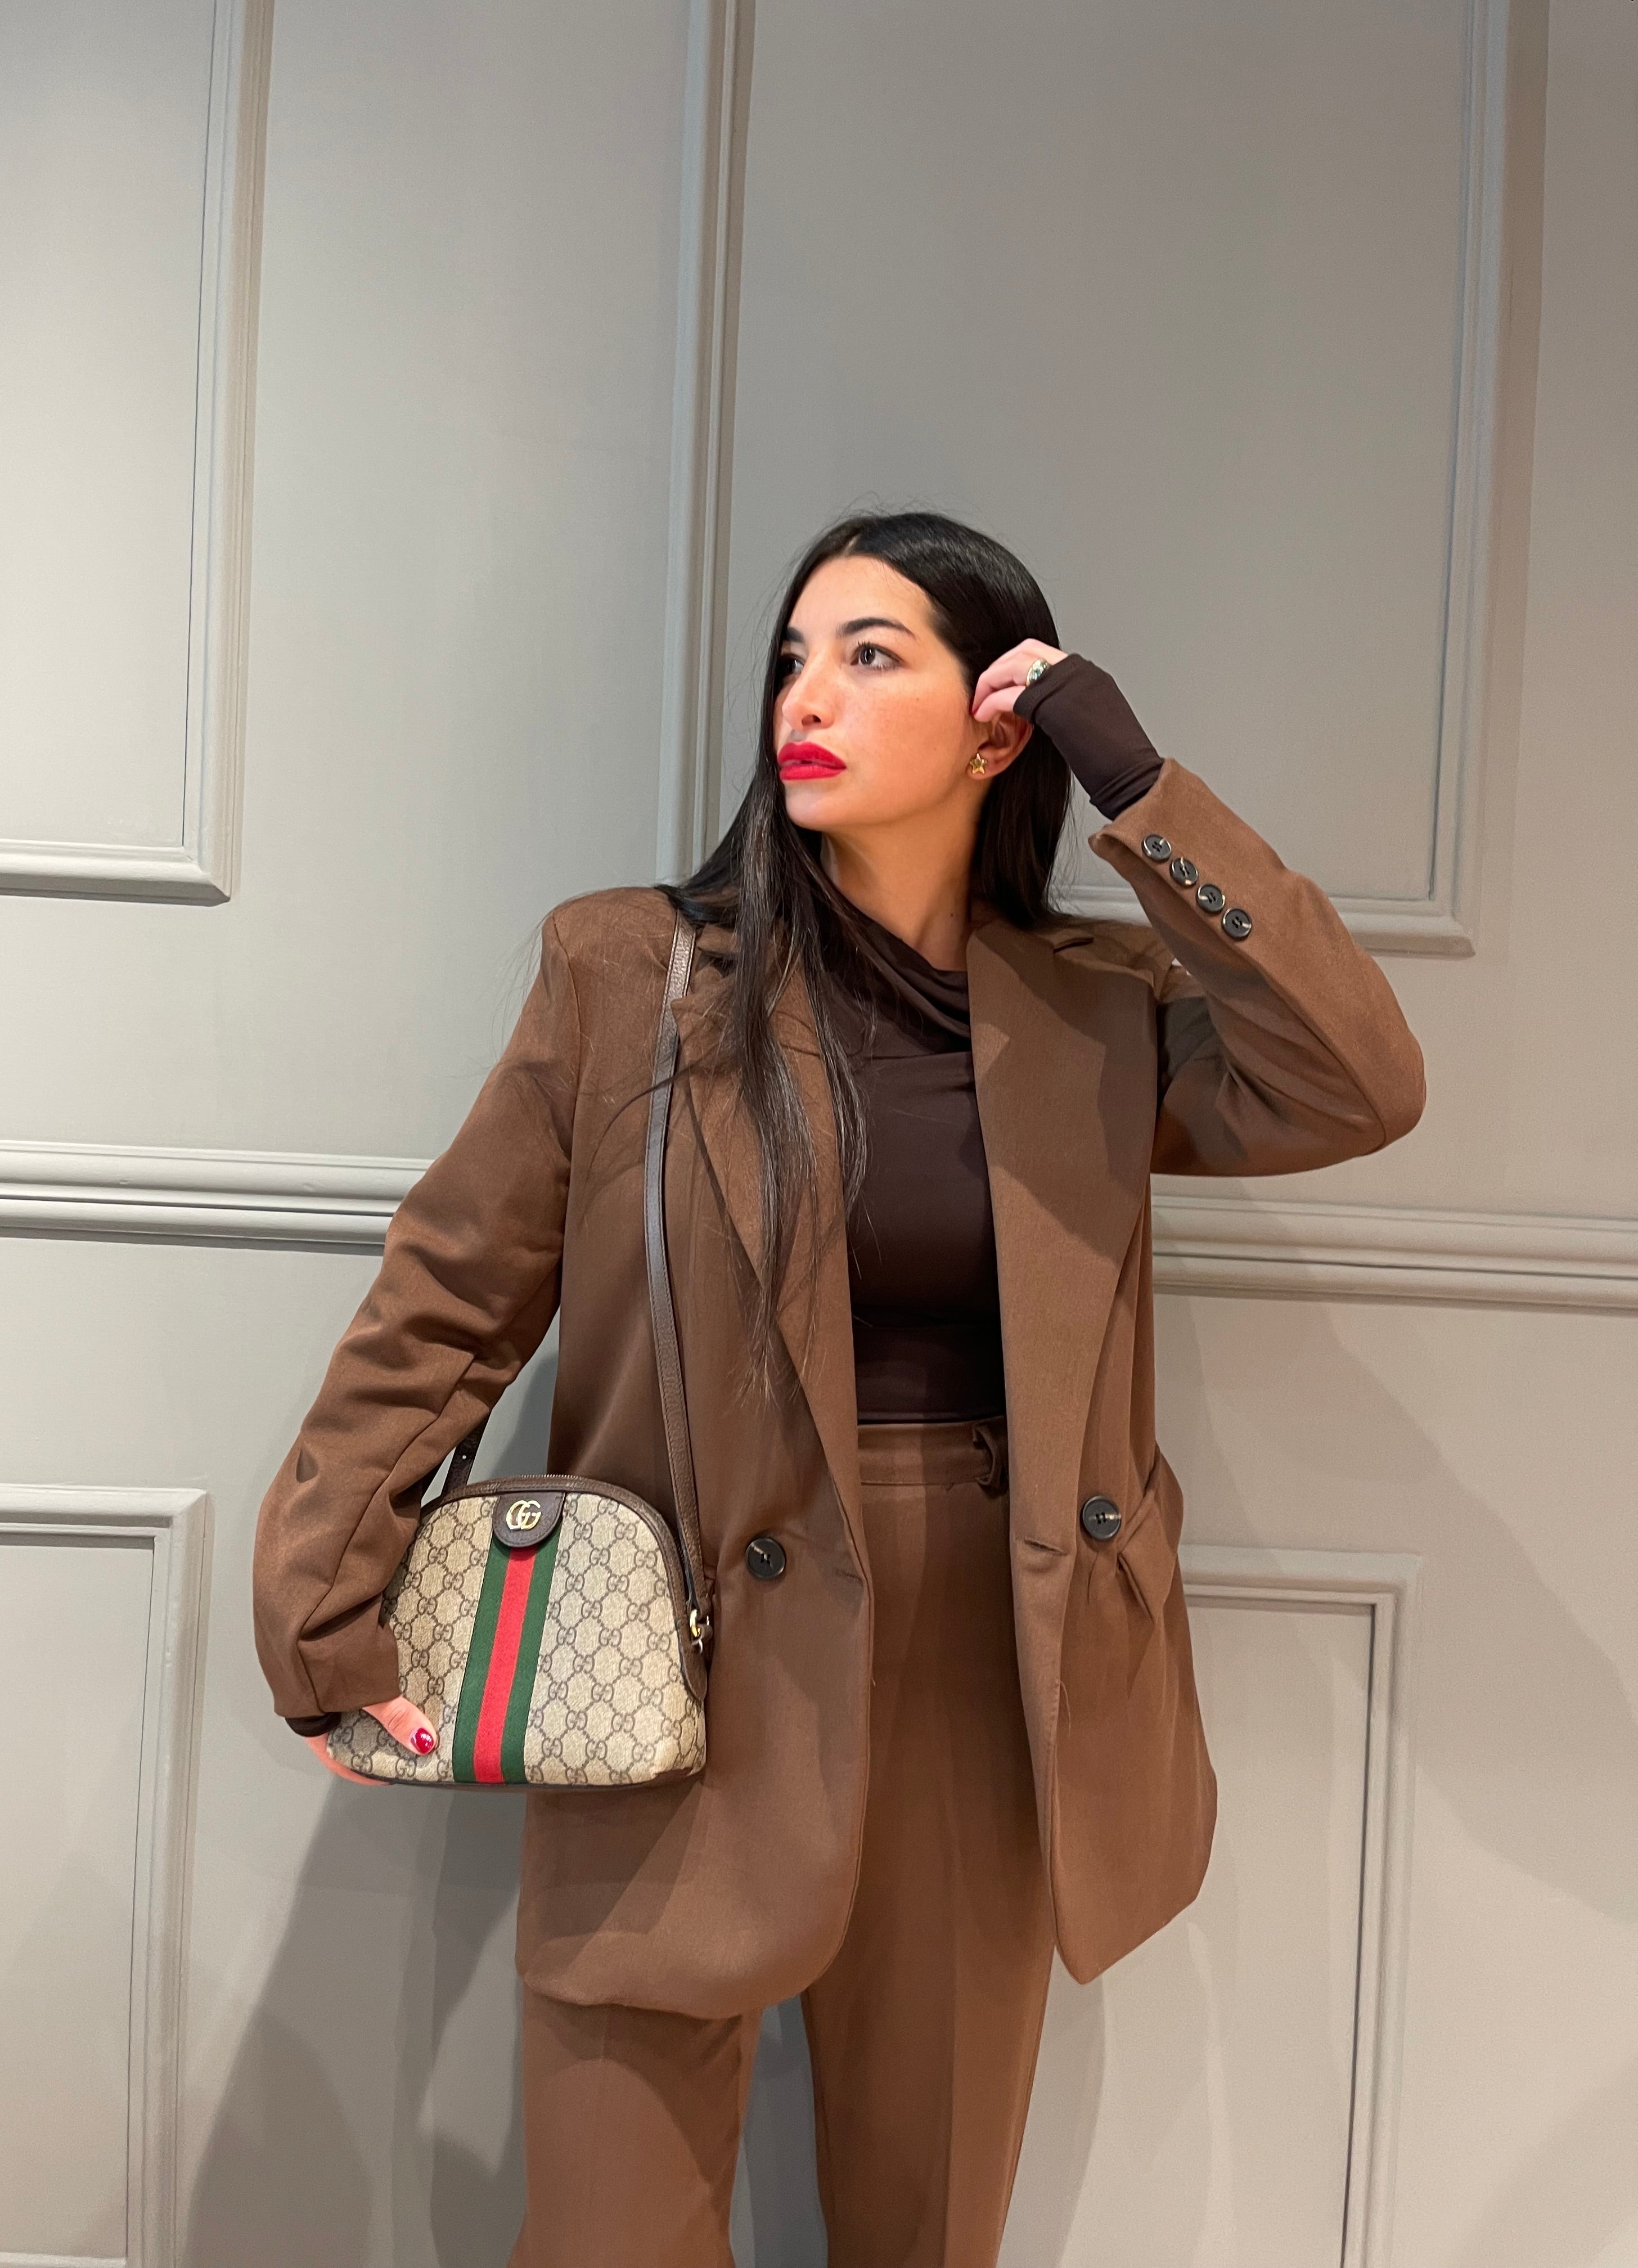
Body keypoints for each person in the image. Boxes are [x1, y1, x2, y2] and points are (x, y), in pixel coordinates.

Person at [252, 509, 1425, 2267]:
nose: (808, 696)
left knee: (925, 2221)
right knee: (608, 2234)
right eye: (795, 658)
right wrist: (326, 1608)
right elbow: (446, 1300)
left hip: (989, 1653)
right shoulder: (631, 977)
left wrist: (1138, 784)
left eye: (874, 656)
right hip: (674, 1641)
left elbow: (1355, 1082)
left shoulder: (1088, 1011)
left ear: (996, 726)